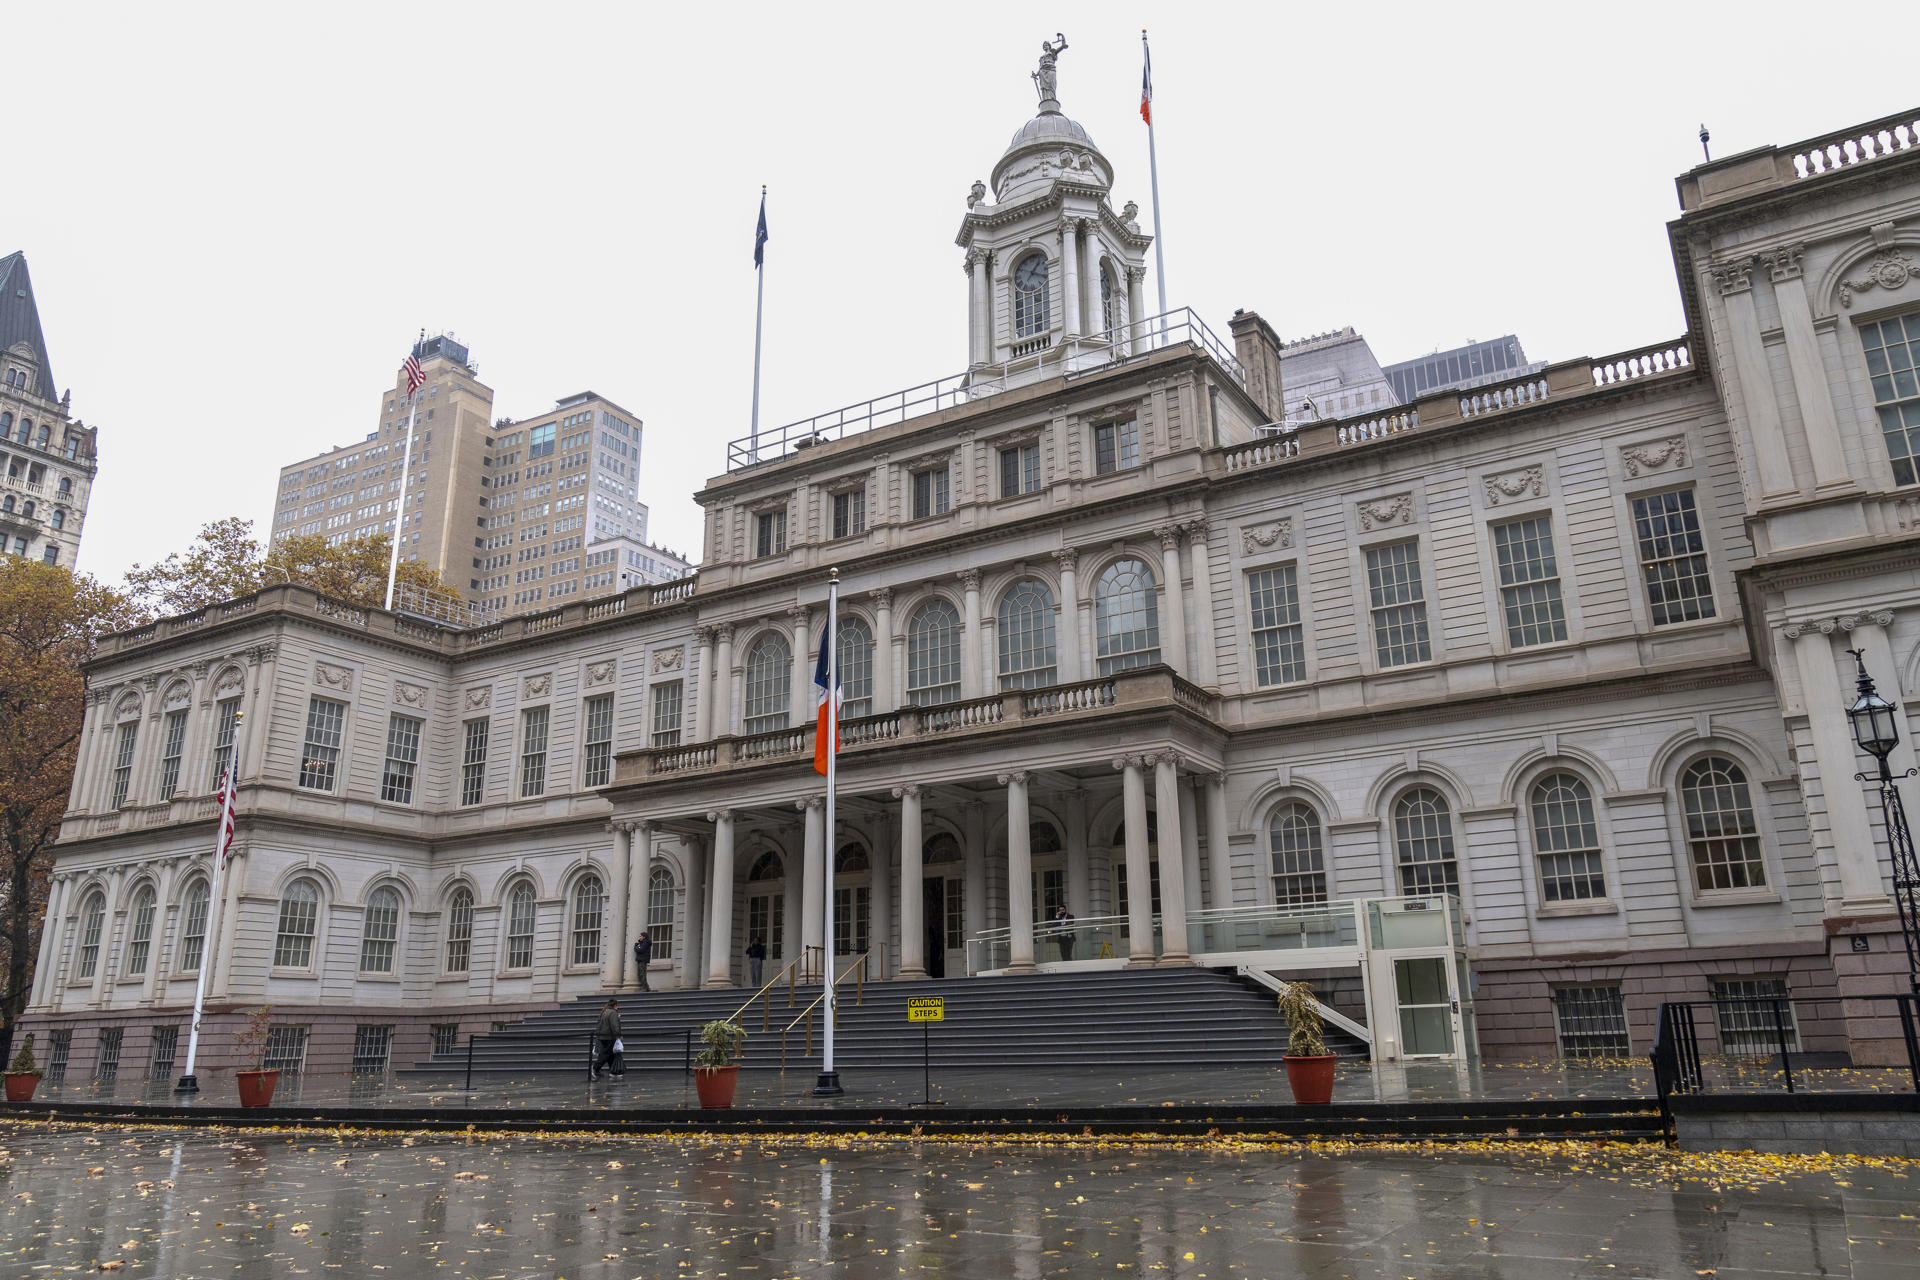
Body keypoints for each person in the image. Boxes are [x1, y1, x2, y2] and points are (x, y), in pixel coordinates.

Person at [591, 997, 623, 1080]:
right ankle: (595, 1068)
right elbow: (614, 1025)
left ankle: (613, 1072)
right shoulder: (613, 1013)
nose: (618, 1007)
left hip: (603, 1036)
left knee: (610, 1055)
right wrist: (618, 1035)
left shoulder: (605, 1011)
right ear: (615, 1005)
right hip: (609, 1036)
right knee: (605, 1054)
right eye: (617, 1006)